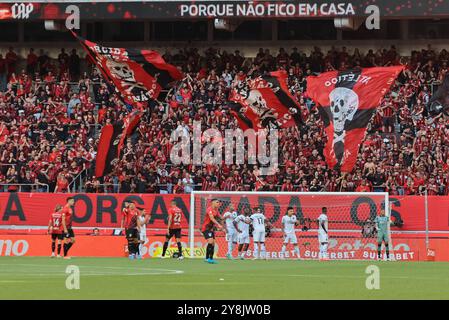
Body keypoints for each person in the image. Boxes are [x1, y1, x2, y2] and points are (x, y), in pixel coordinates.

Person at [201, 198, 223, 264]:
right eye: (217, 202)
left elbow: (221, 217)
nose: (218, 203)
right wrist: (218, 225)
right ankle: (207, 258)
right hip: (206, 228)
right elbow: (212, 218)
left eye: (218, 202)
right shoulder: (209, 209)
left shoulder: (216, 210)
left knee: (213, 243)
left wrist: (226, 217)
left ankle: (210, 258)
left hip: (211, 229)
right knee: (210, 241)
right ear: (212, 203)